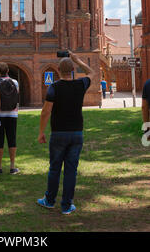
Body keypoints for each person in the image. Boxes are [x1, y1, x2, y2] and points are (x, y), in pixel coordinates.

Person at [37, 51, 95, 215]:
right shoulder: (81, 84)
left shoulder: (53, 88)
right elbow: (92, 73)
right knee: (71, 170)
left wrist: (41, 131)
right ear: (72, 70)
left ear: (57, 70)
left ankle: (49, 201)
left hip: (58, 133)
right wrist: (78, 60)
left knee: (55, 168)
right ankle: (66, 205)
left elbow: (45, 112)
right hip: (76, 133)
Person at [0, 62, 19, 175]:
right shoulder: (15, 82)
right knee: (12, 140)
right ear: (8, 71)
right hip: (12, 114)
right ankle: (12, 166)